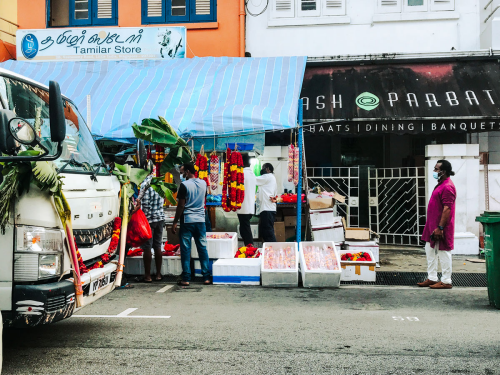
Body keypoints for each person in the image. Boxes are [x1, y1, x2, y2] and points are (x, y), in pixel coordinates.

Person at [418, 160, 456, 289]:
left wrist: (440, 228)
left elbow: (447, 209)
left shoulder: (448, 187)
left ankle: (446, 281)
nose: (434, 171)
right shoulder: (440, 185)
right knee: (430, 251)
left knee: (443, 252)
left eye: (436, 169)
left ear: (443, 171)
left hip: (440, 228)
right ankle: (432, 277)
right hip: (431, 227)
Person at [172, 163, 211, 286]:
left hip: (187, 221)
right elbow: (203, 199)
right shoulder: (204, 183)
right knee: (202, 249)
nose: (182, 174)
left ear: (188, 172)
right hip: (200, 220)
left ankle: (186, 278)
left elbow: (181, 205)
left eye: (183, 172)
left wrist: (175, 221)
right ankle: (206, 277)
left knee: (185, 250)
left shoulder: (184, 185)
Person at [137, 173, 165, 283]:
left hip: (149, 220)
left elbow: (146, 206)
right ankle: (158, 274)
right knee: (158, 246)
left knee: (147, 247)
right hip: (160, 218)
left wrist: (145, 221)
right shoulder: (160, 184)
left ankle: (148, 276)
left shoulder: (145, 185)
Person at [238, 153, 257, 246]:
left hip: (243, 207)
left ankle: (250, 247)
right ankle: (249, 247)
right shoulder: (252, 174)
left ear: (243, 162)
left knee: (245, 229)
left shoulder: (242, 174)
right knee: (244, 228)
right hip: (249, 207)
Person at [256, 162, 278, 242]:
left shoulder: (267, 177)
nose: (261, 170)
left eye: (263, 168)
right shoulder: (271, 177)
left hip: (267, 209)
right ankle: (269, 250)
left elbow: (253, 180)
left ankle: (273, 250)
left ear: (268, 169)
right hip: (268, 209)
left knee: (268, 232)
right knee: (266, 232)